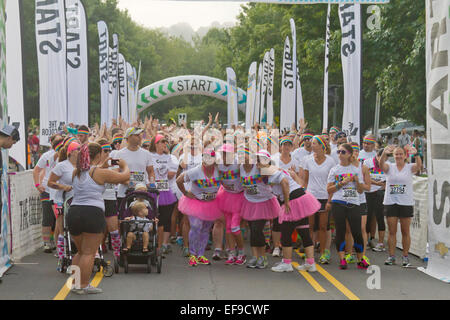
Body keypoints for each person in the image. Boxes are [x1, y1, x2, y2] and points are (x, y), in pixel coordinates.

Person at [68, 143, 130, 295]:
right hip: (92, 213)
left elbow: (91, 171)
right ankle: (83, 285)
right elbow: (125, 177)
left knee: (80, 252)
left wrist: (101, 165)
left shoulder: (75, 172)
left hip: (74, 211)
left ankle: (75, 283)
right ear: (97, 156)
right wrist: (124, 165)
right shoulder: (99, 173)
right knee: (89, 252)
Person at [268, 164, 321, 273]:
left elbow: (285, 183)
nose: (258, 165)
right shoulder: (277, 171)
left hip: (292, 200)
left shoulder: (273, 173)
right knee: (303, 231)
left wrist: (287, 201)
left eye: (260, 162)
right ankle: (310, 263)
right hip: (301, 197)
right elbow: (299, 184)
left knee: (286, 232)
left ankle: (287, 263)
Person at [326, 143, 370, 270]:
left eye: (343, 152)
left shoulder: (356, 169)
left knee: (357, 232)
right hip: (338, 202)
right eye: (338, 152)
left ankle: (361, 259)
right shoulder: (334, 170)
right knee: (340, 231)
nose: (340, 154)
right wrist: (341, 183)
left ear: (350, 154)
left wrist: (356, 181)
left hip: (354, 202)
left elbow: (361, 190)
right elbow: (329, 189)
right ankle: (342, 259)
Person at [176, 149, 223, 267]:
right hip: (195, 202)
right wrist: (186, 193)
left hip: (211, 203)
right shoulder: (195, 171)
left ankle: (201, 254)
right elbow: (179, 180)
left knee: (206, 228)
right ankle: (192, 255)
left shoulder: (219, 171)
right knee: (196, 226)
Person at [380, 145, 422, 267]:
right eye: (396, 154)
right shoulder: (390, 167)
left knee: (405, 231)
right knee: (392, 231)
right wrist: (384, 153)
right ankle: (392, 256)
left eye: (400, 154)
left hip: (406, 203)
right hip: (391, 202)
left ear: (405, 156)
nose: (398, 156)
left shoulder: (409, 167)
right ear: (393, 156)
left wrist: (417, 154)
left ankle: (405, 257)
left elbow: (418, 166)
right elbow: (381, 165)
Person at [240, 150, 281, 269]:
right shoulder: (240, 168)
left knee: (257, 229)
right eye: (240, 155)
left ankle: (262, 257)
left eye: (245, 155)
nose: (243, 157)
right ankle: (254, 257)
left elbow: (276, 171)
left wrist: (265, 169)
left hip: (264, 202)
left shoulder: (258, 167)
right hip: (249, 202)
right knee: (253, 230)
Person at [303, 135, 336, 264]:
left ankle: (323, 253)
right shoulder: (307, 160)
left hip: (324, 197)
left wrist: (329, 200)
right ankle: (309, 255)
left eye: (315, 143)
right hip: (310, 197)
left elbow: (332, 182)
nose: (312, 145)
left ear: (322, 145)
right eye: (312, 143)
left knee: (323, 227)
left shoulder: (331, 161)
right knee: (310, 227)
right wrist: (304, 196)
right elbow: (305, 181)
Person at [48, 141, 80, 271]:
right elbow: (50, 182)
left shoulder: (82, 165)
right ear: (71, 152)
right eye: (78, 149)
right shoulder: (62, 166)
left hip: (78, 199)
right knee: (62, 228)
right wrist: (63, 187)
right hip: (62, 199)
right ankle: (62, 256)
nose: (80, 151)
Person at [216, 143, 246, 265]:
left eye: (227, 154)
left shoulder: (238, 163)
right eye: (223, 154)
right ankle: (232, 253)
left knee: (235, 227)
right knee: (228, 227)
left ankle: (242, 252)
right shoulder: (218, 165)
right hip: (226, 196)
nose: (225, 157)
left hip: (239, 197)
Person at [270, 137, 301, 258]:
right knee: (277, 222)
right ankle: (276, 246)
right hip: (277, 194)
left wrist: (293, 174)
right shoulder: (274, 159)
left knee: (288, 221)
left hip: (290, 194)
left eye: (289, 145)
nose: (286, 147)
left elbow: (298, 178)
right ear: (280, 146)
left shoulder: (295, 161)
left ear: (292, 147)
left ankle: (285, 244)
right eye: (284, 145)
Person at [33, 134, 63, 253]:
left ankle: (59, 243)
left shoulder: (66, 154)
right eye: (56, 142)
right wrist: (37, 184)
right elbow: (36, 170)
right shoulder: (47, 155)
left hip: (60, 190)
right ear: (51, 143)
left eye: (60, 141)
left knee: (58, 217)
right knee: (48, 217)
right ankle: (46, 243)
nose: (58, 144)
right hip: (47, 189)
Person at [149, 134, 178, 254]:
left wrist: (168, 156)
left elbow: (171, 174)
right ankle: (152, 242)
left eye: (165, 141)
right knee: (152, 218)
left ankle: (164, 244)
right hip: (153, 190)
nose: (164, 143)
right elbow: (149, 172)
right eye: (161, 141)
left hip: (166, 191)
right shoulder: (149, 156)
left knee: (165, 218)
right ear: (155, 144)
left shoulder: (170, 157)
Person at [115, 127, 155, 205]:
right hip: (124, 193)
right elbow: (116, 174)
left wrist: (151, 183)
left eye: (140, 135)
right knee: (125, 217)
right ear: (129, 137)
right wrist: (128, 182)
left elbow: (151, 171)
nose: (140, 137)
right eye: (137, 135)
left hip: (142, 193)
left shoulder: (146, 153)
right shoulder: (119, 154)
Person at [97, 138, 121, 259]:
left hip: (110, 199)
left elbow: (119, 178)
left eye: (109, 150)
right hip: (97, 200)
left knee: (113, 228)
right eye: (105, 151)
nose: (108, 153)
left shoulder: (112, 166)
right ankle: (96, 252)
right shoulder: (93, 166)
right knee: (97, 229)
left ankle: (117, 253)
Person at [364, 149, 387, 252]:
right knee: (368, 217)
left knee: (380, 217)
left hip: (381, 193)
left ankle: (381, 243)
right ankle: (368, 240)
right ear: (377, 155)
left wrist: (384, 185)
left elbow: (389, 178)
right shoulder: (367, 162)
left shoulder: (388, 163)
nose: (382, 160)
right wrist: (378, 183)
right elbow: (366, 178)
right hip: (369, 192)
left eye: (385, 158)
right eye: (380, 157)